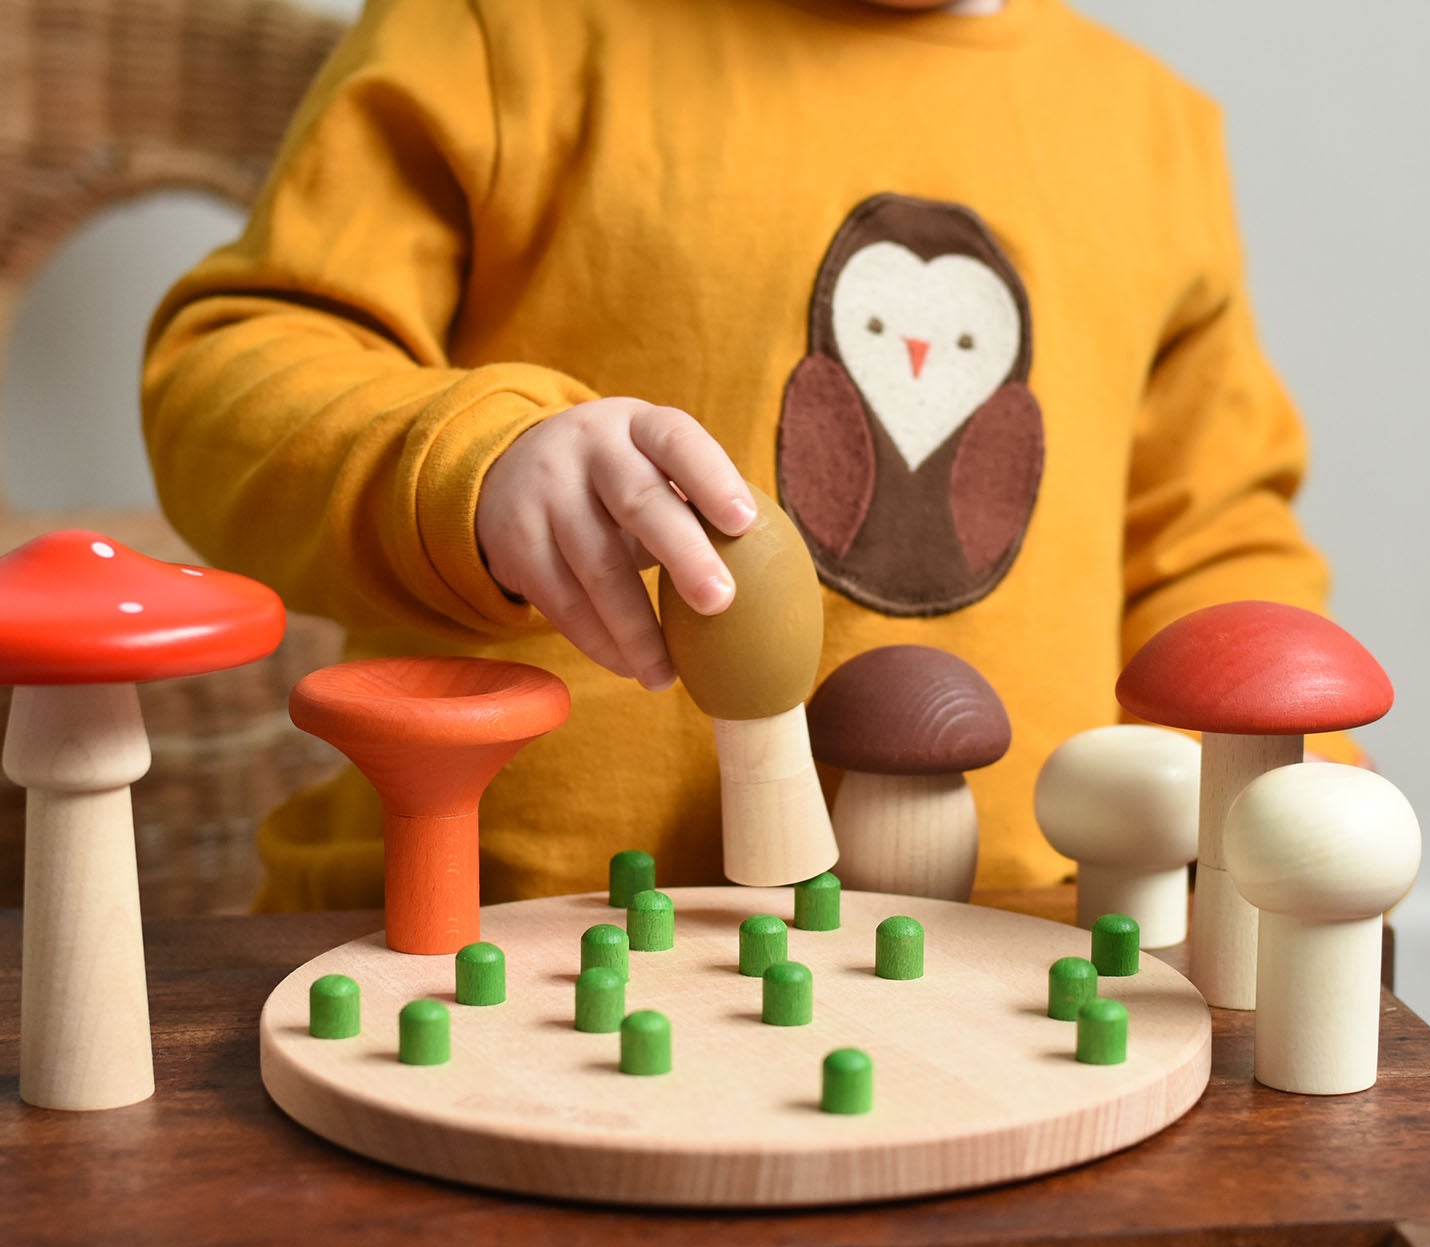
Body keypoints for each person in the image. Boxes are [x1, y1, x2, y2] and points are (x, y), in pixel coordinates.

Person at [142, 0, 1360, 913]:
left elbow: (1212, 548)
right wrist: (478, 462)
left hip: (1013, 949)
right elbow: (232, 374)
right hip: (489, 929)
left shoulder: (1153, 135)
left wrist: (1278, 813)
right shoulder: (495, 30)